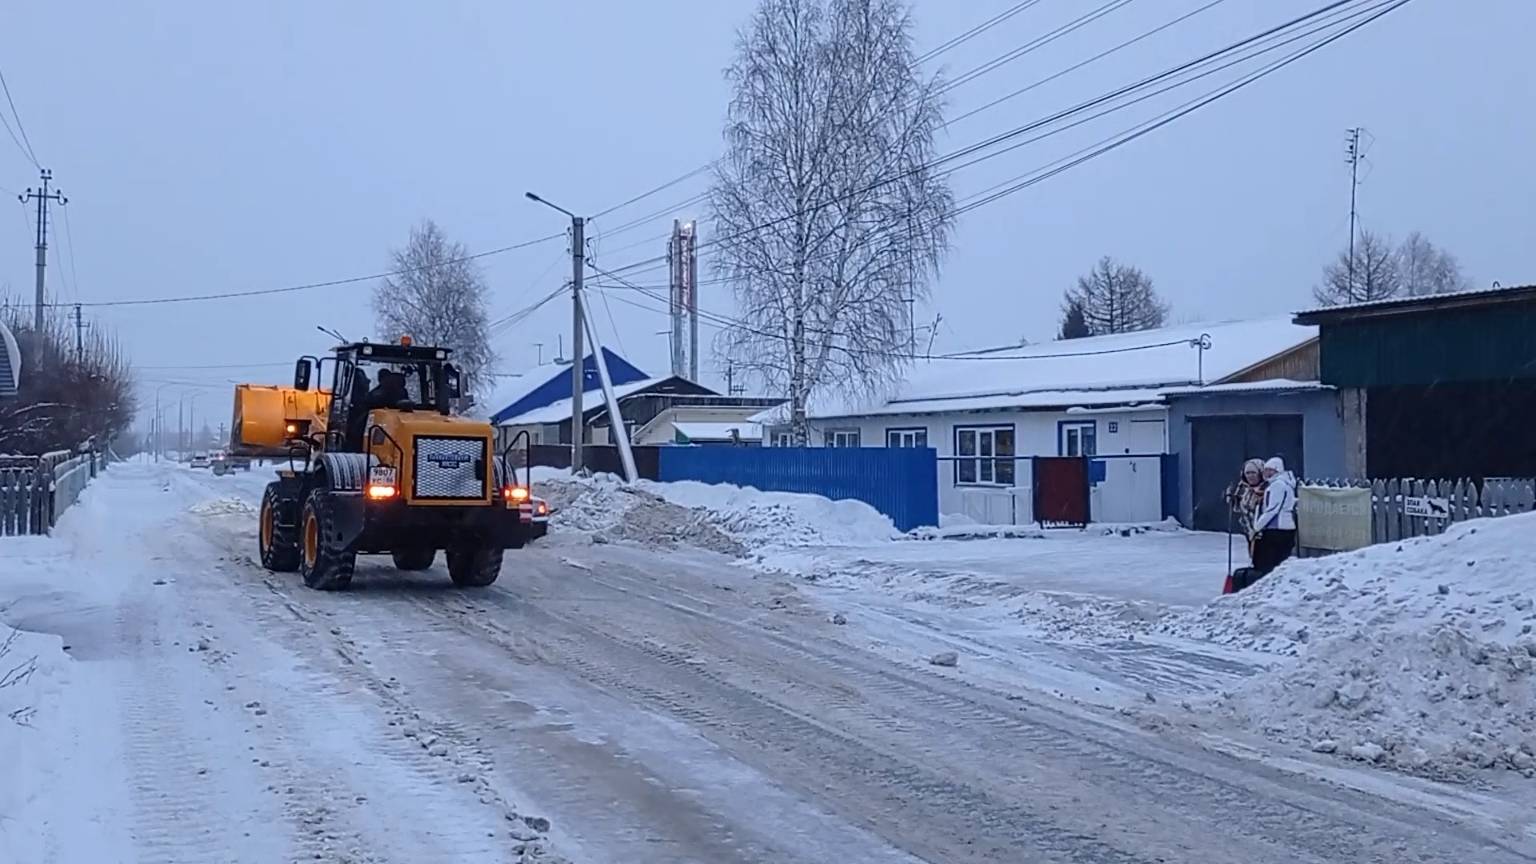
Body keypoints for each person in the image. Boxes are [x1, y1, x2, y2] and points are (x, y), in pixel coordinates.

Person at [1251, 456, 1298, 575]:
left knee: (1270, 562)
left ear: (1277, 470)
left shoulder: (1278, 485)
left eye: (1269, 470)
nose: (1265, 473)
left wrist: (1258, 526)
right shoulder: (1280, 484)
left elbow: (1272, 509)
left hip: (1277, 529)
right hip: (1282, 528)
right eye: (1265, 470)